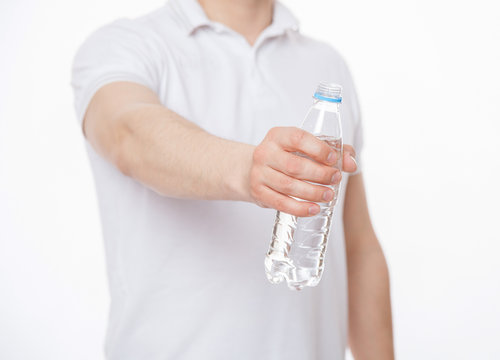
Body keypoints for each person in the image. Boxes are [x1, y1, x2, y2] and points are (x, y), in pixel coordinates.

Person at [71, 0, 394, 358]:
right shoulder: (127, 44)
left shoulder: (327, 64)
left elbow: (357, 246)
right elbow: (127, 133)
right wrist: (250, 169)